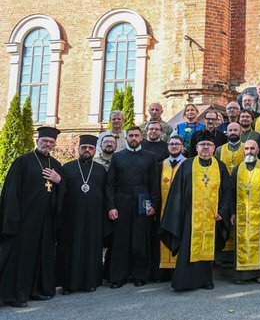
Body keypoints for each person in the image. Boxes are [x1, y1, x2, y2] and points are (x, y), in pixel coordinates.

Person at [0, 127, 64, 307]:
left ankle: (36, 291)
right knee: (21, 257)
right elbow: (11, 192)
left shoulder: (56, 165)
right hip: (25, 220)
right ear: (38, 140)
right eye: (45, 141)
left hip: (46, 222)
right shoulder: (23, 162)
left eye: (51, 142)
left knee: (40, 256)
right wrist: (12, 218)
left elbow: (63, 193)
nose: (48, 144)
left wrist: (59, 181)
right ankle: (16, 295)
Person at [160, 131, 229, 291]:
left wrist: (223, 211)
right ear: (196, 147)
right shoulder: (187, 165)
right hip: (190, 216)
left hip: (212, 216)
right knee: (187, 247)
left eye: (209, 145)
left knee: (207, 246)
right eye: (202, 144)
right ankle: (184, 282)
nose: (205, 147)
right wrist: (179, 214)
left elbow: (227, 191)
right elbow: (176, 192)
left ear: (214, 148)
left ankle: (205, 281)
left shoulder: (220, 166)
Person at [105, 126, 160, 288]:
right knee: (120, 240)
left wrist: (154, 205)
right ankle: (118, 277)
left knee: (140, 239)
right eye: (131, 135)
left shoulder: (151, 158)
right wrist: (111, 206)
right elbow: (109, 185)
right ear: (126, 138)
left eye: (136, 135)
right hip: (121, 201)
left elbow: (154, 184)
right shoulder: (117, 157)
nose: (134, 138)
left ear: (141, 137)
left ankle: (140, 275)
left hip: (143, 200)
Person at [56, 135, 108, 295]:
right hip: (71, 216)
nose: (87, 150)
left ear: (95, 150)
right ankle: (68, 284)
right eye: (84, 147)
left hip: (94, 217)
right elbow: (61, 191)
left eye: (91, 148)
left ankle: (90, 282)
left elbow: (106, 193)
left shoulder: (100, 170)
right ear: (79, 149)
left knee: (91, 248)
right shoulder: (67, 167)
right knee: (70, 248)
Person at [228, 139, 260, 284]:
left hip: (259, 214)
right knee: (241, 241)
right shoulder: (237, 169)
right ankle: (240, 275)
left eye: (253, 148)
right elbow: (231, 191)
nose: (249, 151)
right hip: (241, 213)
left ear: (258, 150)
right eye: (246, 149)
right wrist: (232, 212)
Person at [157, 135, 186, 280]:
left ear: (182, 147)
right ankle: (164, 271)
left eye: (177, 144)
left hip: (181, 210)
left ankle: (178, 270)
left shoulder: (188, 164)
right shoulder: (160, 165)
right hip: (162, 209)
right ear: (168, 147)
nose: (174, 146)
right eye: (171, 144)